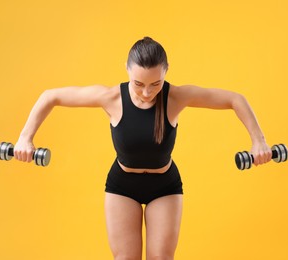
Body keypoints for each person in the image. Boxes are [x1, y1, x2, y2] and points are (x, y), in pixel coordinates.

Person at [14, 37, 272, 260]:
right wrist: (26, 138)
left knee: (160, 257)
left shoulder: (176, 96)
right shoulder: (111, 97)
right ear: (126, 70)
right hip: (122, 186)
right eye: (138, 84)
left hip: (165, 186)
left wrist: (258, 141)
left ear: (166, 72)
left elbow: (235, 99)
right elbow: (51, 96)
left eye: (155, 84)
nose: (147, 92)